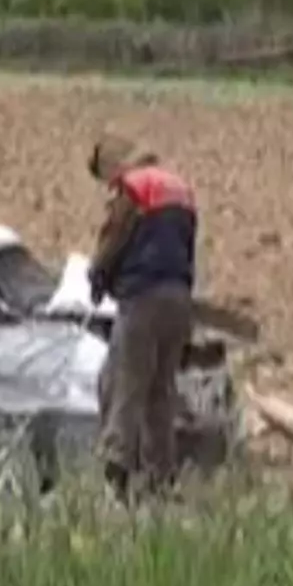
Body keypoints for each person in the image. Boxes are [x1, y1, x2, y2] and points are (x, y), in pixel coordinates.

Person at [86, 133, 198, 504]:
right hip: (179, 300)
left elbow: (114, 238)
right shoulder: (180, 190)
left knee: (123, 384)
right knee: (160, 392)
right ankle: (160, 480)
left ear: (112, 167)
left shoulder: (134, 188)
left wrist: (97, 277)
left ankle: (115, 479)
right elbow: (186, 248)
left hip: (142, 300)